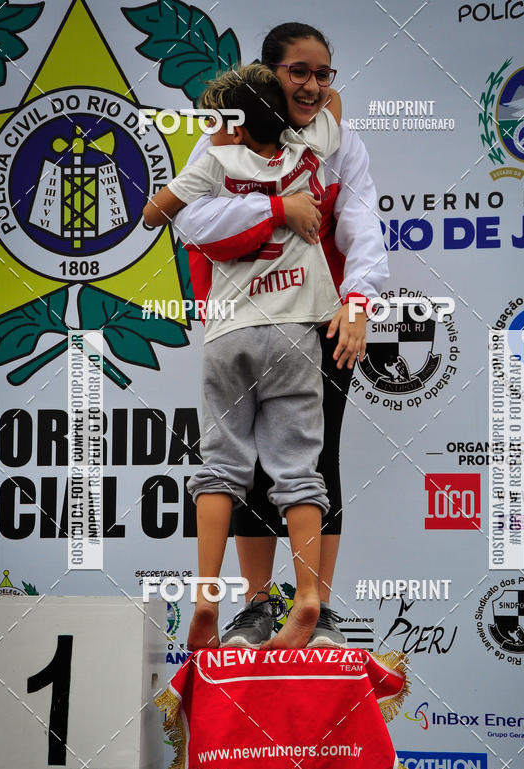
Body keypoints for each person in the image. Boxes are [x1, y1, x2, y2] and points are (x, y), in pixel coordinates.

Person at [172, 23, 388, 648]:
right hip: (244, 318)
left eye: (323, 74)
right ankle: (256, 606)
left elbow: (361, 224)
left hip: (322, 321)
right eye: (299, 72)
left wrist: (358, 302)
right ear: (270, 74)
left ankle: (315, 606)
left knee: (317, 461)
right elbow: (191, 220)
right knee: (244, 465)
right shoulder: (225, 136)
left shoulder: (341, 143)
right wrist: (271, 208)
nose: (313, 86)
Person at [144, 64, 349, 650]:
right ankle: (307, 598)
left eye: (216, 120)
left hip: (229, 333)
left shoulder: (215, 161)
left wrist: (219, 162)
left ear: (231, 126)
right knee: (300, 471)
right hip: (294, 333)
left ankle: (207, 596)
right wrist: (291, 103)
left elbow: (154, 213)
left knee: (220, 468)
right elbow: (331, 101)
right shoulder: (305, 154)